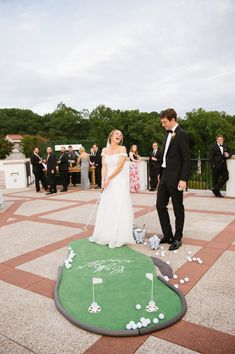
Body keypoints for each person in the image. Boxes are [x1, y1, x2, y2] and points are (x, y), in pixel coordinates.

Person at [89, 129, 135, 248]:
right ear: (111, 136)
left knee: (118, 205)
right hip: (108, 182)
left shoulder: (123, 149)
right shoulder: (104, 150)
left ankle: (119, 235)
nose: (119, 135)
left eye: (120, 134)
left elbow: (120, 166)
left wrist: (109, 178)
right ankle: (106, 233)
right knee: (108, 205)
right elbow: (104, 166)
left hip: (118, 181)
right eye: (116, 133)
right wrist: (103, 180)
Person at [156, 108, 190, 251]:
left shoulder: (182, 134)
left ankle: (177, 238)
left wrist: (183, 179)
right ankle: (168, 235)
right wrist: (160, 173)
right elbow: (165, 156)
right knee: (160, 205)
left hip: (176, 178)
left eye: (164, 122)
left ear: (172, 120)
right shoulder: (167, 134)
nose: (163, 125)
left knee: (178, 209)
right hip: (164, 177)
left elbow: (186, 159)